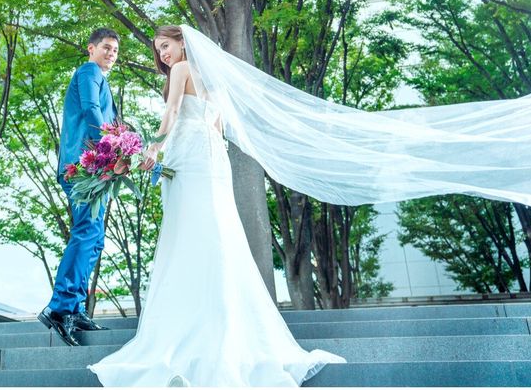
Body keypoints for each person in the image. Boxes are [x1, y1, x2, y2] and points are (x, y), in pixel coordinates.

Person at [88, 25, 345, 386]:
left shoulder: (182, 69)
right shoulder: (215, 81)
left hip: (189, 158)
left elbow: (173, 110)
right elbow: (218, 126)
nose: (163, 54)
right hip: (211, 160)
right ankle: (223, 331)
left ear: (183, 41)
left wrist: (154, 148)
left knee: (186, 240)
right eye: (158, 50)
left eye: (166, 46)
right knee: (216, 238)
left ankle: (188, 331)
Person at [38, 28, 120, 346]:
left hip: (96, 169)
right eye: (106, 47)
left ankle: (75, 307)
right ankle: (59, 308)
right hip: (82, 166)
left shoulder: (102, 79)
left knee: (95, 238)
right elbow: (90, 110)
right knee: (87, 232)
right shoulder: (89, 71)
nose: (111, 53)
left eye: (115, 50)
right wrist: (110, 147)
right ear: (91, 49)